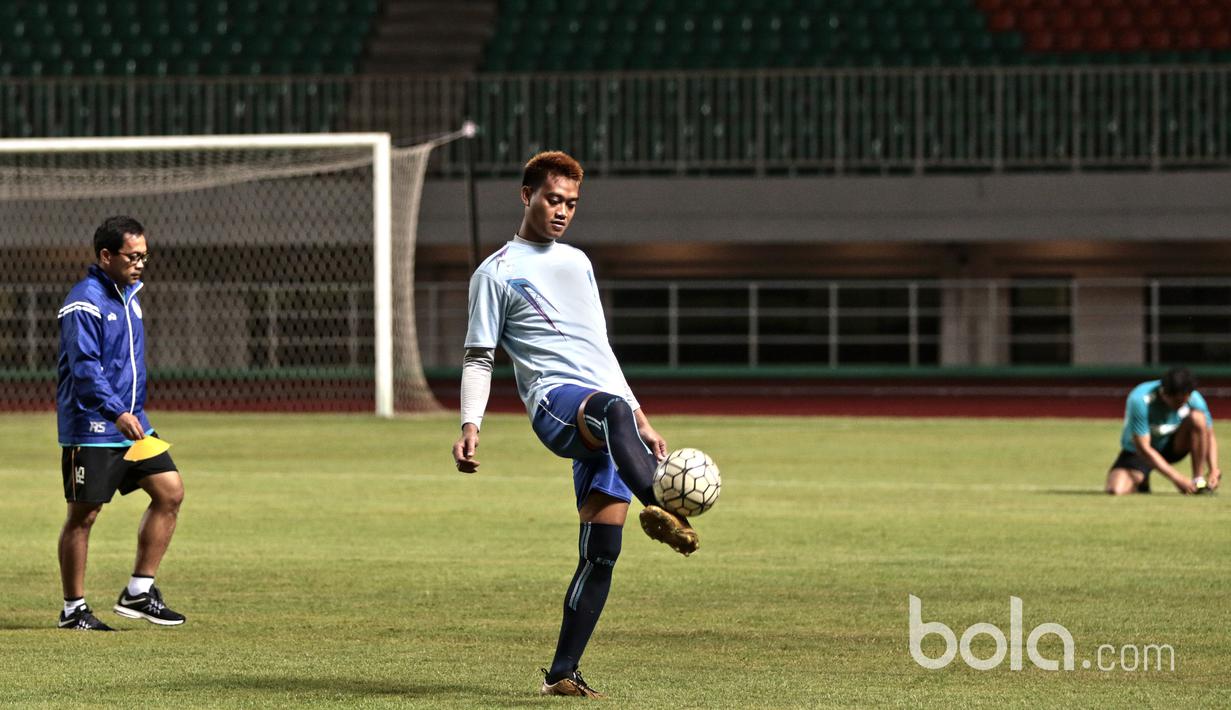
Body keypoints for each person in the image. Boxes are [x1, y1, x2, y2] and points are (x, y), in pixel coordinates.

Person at [451, 151, 698, 698]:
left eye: (571, 203)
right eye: (552, 199)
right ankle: (663, 505)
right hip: (556, 405)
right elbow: (478, 357)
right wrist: (472, 424)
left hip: (609, 412)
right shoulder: (496, 273)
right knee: (608, 413)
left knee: (601, 552)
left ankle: (563, 673)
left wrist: (640, 417)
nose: (562, 211)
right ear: (527, 196)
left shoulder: (579, 263)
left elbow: (599, 349)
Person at [56, 216, 186, 630]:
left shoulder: (131, 296)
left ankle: (138, 592)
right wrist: (116, 411)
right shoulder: (84, 301)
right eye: (133, 256)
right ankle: (73, 610)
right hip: (93, 425)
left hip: (134, 423)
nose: (140, 263)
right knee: (85, 515)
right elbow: (85, 370)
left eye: (144, 256)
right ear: (106, 255)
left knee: (170, 491)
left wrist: (130, 414)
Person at [1105, 366, 1220, 496]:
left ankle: (1198, 480)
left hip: (1173, 447)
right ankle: (1141, 479)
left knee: (1198, 419)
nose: (1181, 405)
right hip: (1140, 452)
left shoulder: (1194, 398)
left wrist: (1213, 469)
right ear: (1164, 393)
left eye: (1184, 401)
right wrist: (1178, 479)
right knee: (1116, 490)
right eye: (1177, 402)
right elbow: (1144, 448)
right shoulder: (1140, 399)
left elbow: (1209, 434)